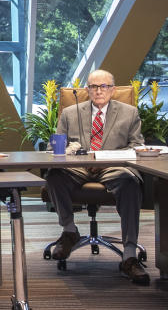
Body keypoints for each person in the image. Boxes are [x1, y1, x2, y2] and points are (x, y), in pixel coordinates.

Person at [45, 69, 148, 285]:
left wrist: (107, 159)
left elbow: (137, 147)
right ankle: (69, 231)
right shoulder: (70, 113)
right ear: (87, 90)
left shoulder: (129, 113)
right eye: (93, 86)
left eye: (104, 86)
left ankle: (129, 254)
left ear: (113, 89)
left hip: (113, 166)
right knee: (54, 175)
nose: (99, 91)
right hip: (78, 166)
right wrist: (68, 151)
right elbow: (53, 146)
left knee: (131, 182)